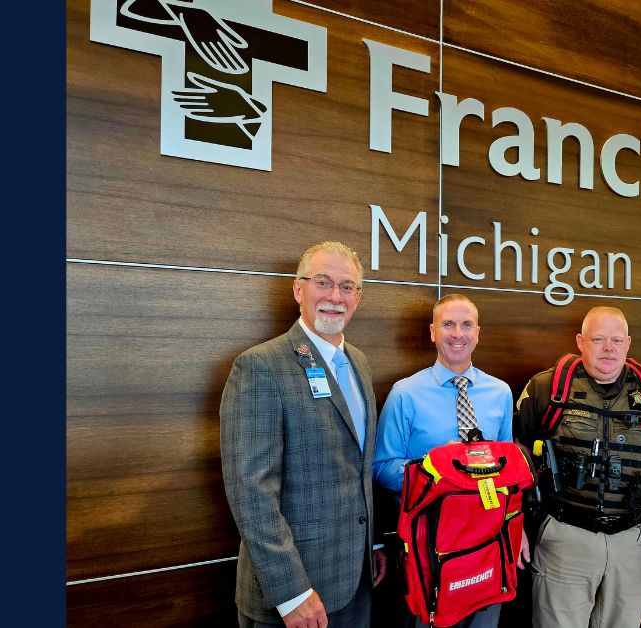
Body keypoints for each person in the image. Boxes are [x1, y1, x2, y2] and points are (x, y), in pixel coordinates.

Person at [220, 241, 386, 628]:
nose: (335, 297)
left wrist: (374, 541)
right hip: (293, 595)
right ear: (298, 289)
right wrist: (291, 593)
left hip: (355, 579)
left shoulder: (359, 362)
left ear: (358, 297)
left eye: (347, 286)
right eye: (322, 282)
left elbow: (359, 467)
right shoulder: (260, 366)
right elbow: (250, 490)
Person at [515, 306, 641, 628]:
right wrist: (513, 528)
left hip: (632, 543)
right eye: (598, 339)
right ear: (580, 342)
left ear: (628, 343)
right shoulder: (546, 389)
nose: (609, 348)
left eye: (616, 340)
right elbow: (515, 459)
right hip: (564, 539)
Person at [372, 293, 520, 628]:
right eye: (448, 324)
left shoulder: (500, 392)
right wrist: (437, 468)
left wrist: (516, 529)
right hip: (429, 544)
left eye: (466, 325)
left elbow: (508, 471)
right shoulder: (405, 394)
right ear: (432, 332)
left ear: (477, 333)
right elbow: (380, 468)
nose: (458, 334)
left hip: (488, 540)